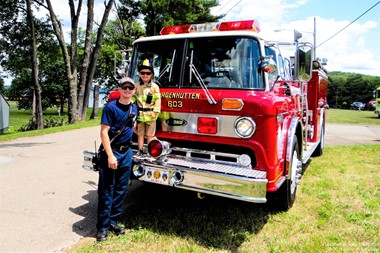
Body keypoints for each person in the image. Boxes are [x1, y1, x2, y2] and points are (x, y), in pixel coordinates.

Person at [96, 76, 138, 242]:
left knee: (121, 190)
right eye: (124, 87)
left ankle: (113, 221)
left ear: (134, 91)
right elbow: (104, 132)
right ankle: (103, 228)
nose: (127, 90)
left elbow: (132, 127)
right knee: (107, 190)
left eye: (130, 88)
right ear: (119, 89)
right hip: (112, 152)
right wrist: (110, 155)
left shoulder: (134, 108)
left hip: (127, 153)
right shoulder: (110, 108)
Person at [133, 59, 161, 156]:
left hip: (151, 115)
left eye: (148, 73)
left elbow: (157, 101)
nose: (145, 75)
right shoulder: (136, 86)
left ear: (152, 75)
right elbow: (133, 98)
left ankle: (150, 151)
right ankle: (140, 150)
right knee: (140, 134)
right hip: (140, 115)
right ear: (139, 74)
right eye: (143, 73)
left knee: (150, 135)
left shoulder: (155, 87)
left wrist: (155, 112)